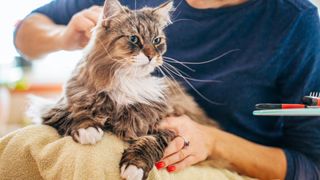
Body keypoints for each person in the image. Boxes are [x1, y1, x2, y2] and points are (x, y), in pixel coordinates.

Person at [14, 0, 320, 179]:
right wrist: (64, 37)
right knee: (27, 141)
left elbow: (312, 167)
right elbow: (25, 31)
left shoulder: (296, 22)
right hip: (125, 132)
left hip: (220, 164)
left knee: (91, 160)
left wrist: (213, 141)